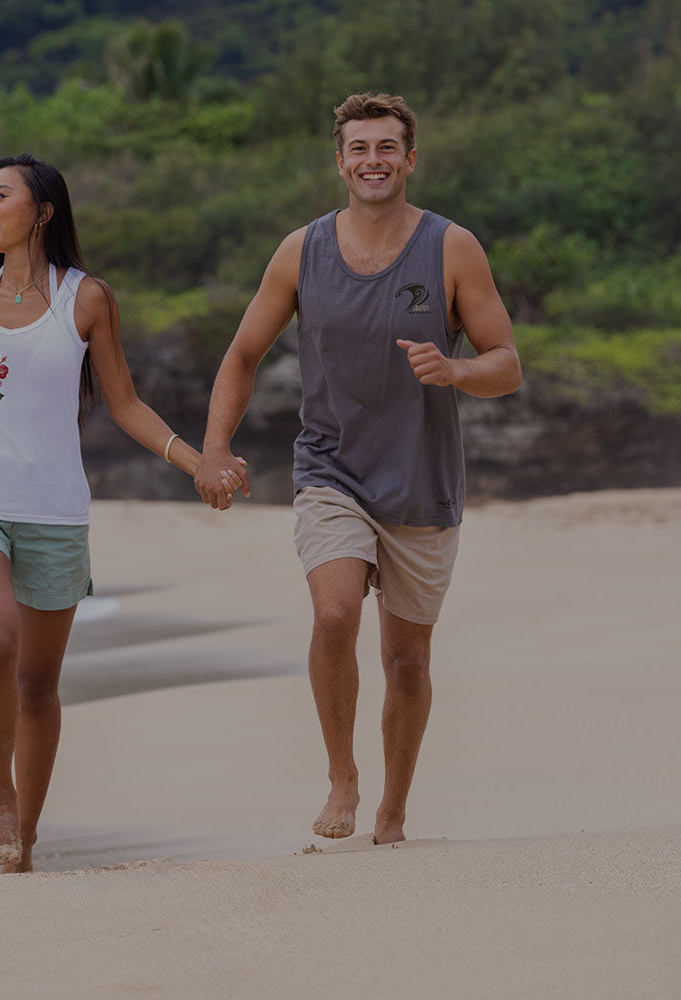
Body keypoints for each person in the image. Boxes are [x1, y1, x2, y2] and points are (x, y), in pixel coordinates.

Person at [194, 93, 521, 845]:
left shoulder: (451, 248)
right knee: (335, 614)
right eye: (359, 148)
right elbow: (242, 355)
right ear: (339, 161)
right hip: (331, 470)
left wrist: (456, 370)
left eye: (387, 148)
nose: (373, 160)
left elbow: (507, 364)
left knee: (407, 660)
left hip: (421, 482)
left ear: (411, 159)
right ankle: (342, 776)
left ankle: (393, 813)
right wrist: (215, 447)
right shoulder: (300, 251)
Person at [0, 154, 240, 873]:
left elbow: (124, 404)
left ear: (43, 211)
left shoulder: (86, 300)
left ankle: (25, 839)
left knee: (37, 683)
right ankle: (0, 797)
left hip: (54, 508)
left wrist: (198, 461)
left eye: (0, 196)